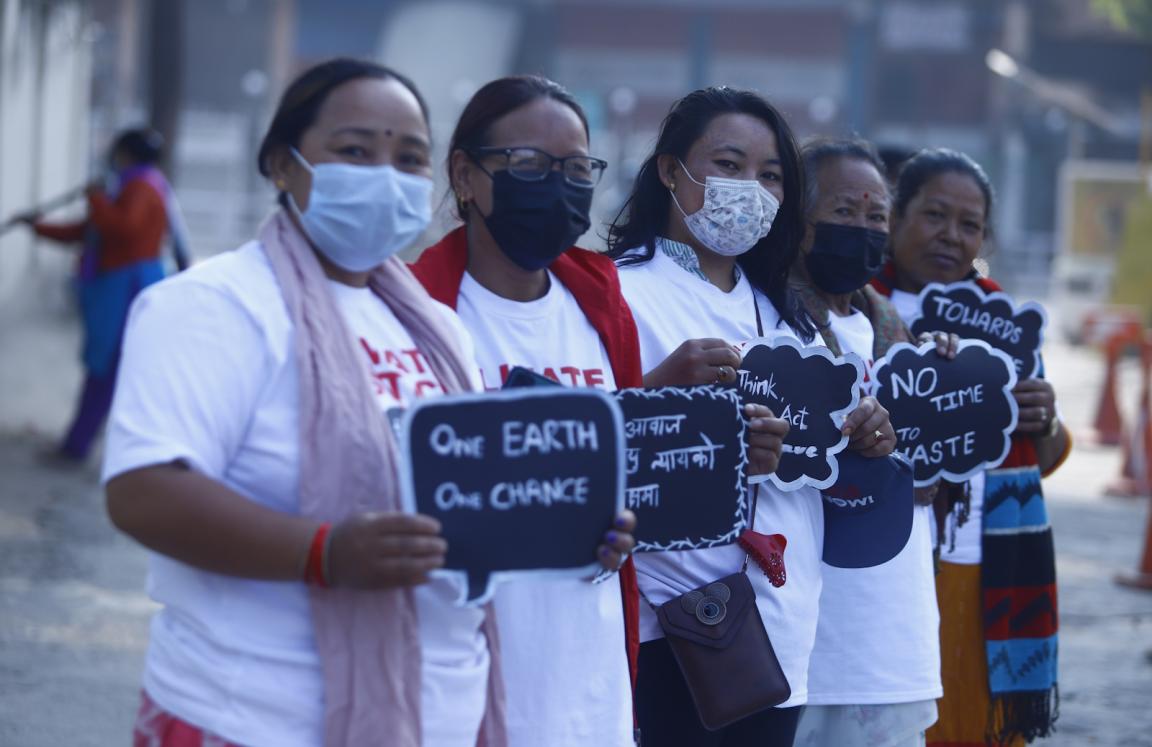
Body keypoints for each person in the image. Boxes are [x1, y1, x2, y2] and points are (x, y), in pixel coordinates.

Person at [101, 58, 634, 747]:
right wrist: (323, 552)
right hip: (256, 717)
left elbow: (477, 501)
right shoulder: (214, 304)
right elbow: (144, 492)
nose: (385, 173)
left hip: (435, 715)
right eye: (355, 150)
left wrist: (576, 526)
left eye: (407, 157)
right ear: (282, 165)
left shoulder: (434, 327)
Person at [606, 87, 896, 747]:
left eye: (770, 175)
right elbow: (587, 442)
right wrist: (675, 404)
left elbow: (822, 455)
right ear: (669, 169)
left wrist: (862, 434)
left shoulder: (785, 311)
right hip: (674, 626)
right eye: (730, 164)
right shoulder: (618, 292)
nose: (751, 188)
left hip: (784, 624)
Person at [411, 74, 640, 747]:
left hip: (589, 677)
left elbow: (625, 468)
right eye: (530, 165)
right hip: (463, 681)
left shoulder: (601, 306)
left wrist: (625, 524)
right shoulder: (418, 313)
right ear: (467, 176)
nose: (558, 184)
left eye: (576, 168)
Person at [871, 148, 1069, 747]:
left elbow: (1047, 456)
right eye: (934, 215)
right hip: (886, 561)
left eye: (970, 224)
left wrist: (1044, 418)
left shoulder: (999, 317)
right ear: (895, 217)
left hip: (984, 567)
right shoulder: (853, 305)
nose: (951, 237)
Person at [789, 137, 947, 747]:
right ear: (797, 223)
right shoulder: (770, 324)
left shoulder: (896, 334)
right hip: (818, 641)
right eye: (842, 211)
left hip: (894, 627)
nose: (863, 228)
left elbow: (927, 473)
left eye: (876, 215)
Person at [14, 128, 189, 463]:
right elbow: (89, 231)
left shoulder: (140, 186)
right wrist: (38, 226)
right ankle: (80, 442)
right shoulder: (140, 185)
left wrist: (95, 198)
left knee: (106, 369)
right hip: (121, 286)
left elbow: (123, 228)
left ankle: (78, 446)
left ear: (126, 154)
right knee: (108, 369)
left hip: (125, 288)